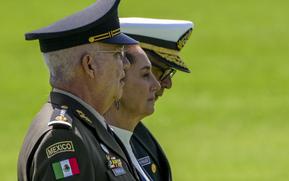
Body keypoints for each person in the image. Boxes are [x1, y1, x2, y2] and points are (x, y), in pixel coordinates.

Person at [17, 0, 140, 181]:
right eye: (117, 54)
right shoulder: (63, 140)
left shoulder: (85, 125)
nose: (126, 64)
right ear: (89, 65)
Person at [117, 17, 194, 181]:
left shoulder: (139, 137)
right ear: (118, 68)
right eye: (153, 71)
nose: (165, 84)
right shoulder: (80, 139)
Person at [104, 45, 161, 181]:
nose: (157, 85)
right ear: (119, 81)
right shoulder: (97, 150)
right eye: (145, 74)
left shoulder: (131, 143)